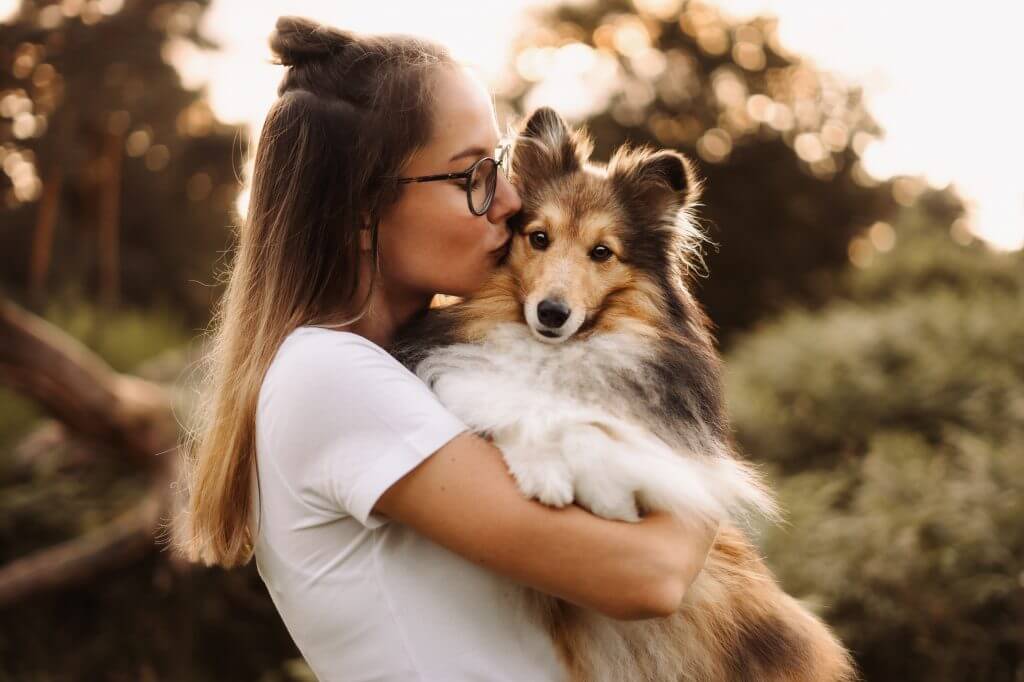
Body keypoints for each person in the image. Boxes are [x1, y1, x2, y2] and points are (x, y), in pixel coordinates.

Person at [171, 16, 718, 682]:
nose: (511, 201)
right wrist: (700, 460)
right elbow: (650, 576)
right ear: (361, 211)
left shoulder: (391, 374)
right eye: (472, 177)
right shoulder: (331, 377)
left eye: (501, 166)